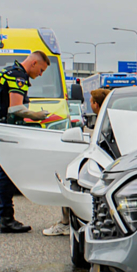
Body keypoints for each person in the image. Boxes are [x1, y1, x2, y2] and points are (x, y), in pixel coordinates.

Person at [0, 51, 51, 233]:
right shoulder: (18, 76)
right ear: (34, 63)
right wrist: (37, 115)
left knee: (2, 173)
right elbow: (15, 108)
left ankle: (5, 218)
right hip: (4, 129)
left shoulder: (9, 71)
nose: (40, 74)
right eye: (41, 70)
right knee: (6, 174)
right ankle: (7, 220)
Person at [43, 87, 109, 237]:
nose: (90, 105)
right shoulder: (109, 119)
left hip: (100, 163)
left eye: (91, 102)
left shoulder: (102, 122)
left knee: (71, 179)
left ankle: (66, 222)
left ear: (96, 104)